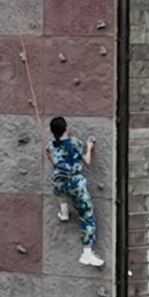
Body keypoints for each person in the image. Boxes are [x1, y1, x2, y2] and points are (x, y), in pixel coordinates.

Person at [49, 115, 104, 268]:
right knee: (87, 215)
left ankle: (64, 213)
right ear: (66, 129)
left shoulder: (50, 146)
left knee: (61, 193)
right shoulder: (75, 143)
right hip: (75, 184)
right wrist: (89, 146)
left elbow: (49, 156)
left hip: (58, 182)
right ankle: (87, 253)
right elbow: (87, 161)